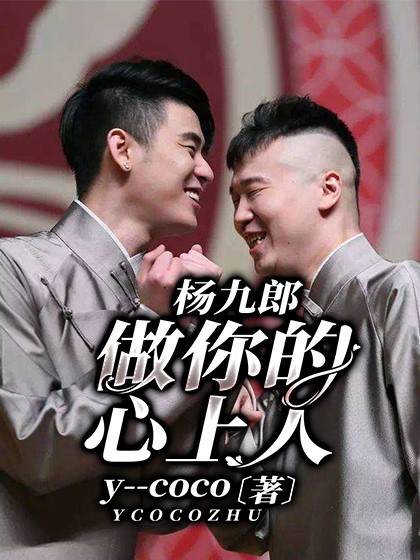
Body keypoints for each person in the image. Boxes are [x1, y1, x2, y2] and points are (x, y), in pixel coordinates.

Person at [0, 58, 228, 560]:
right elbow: (36, 446)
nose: (207, 170)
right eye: (190, 147)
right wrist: (170, 340)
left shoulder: (167, 298)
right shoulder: (12, 268)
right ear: (122, 149)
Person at [213, 95, 419, 559]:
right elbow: (247, 530)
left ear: (328, 189)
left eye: (253, 192)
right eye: (234, 199)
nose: (240, 216)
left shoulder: (396, 293)